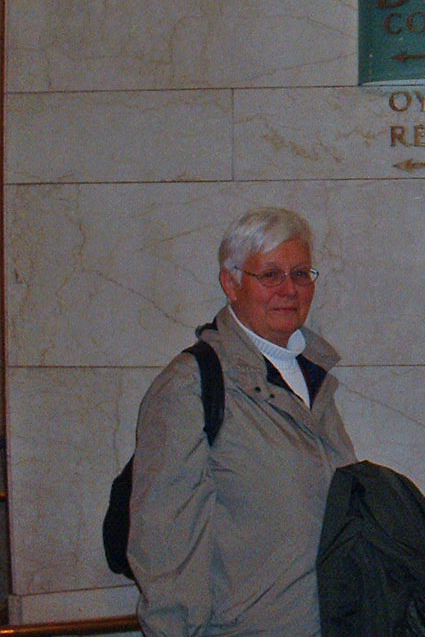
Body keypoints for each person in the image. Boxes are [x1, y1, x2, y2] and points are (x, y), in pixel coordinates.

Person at [128, 207, 356, 636]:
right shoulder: (190, 386)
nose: (289, 289)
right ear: (231, 283)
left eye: (302, 274)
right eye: (270, 275)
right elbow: (164, 545)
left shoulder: (312, 374)